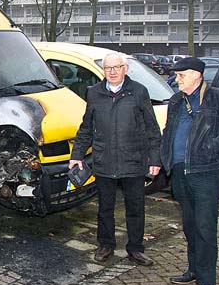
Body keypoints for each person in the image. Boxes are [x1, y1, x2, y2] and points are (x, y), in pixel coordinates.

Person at [69, 52, 162, 266]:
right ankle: (105, 245)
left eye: (116, 67)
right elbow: (86, 129)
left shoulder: (139, 92)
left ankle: (136, 249)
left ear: (125, 69)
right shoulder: (94, 93)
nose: (112, 72)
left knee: (136, 208)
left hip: (134, 162)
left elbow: (152, 128)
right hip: (104, 161)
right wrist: (77, 155)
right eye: (107, 68)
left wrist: (154, 159)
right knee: (105, 208)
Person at [161, 57, 219, 285]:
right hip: (179, 172)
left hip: (206, 172)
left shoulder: (217, 98)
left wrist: (212, 147)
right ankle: (194, 269)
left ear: (197, 75)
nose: (177, 80)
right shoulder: (177, 101)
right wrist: (163, 158)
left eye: (181, 75)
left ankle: (208, 281)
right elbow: (169, 131)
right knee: (189, 224)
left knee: (205, 226)